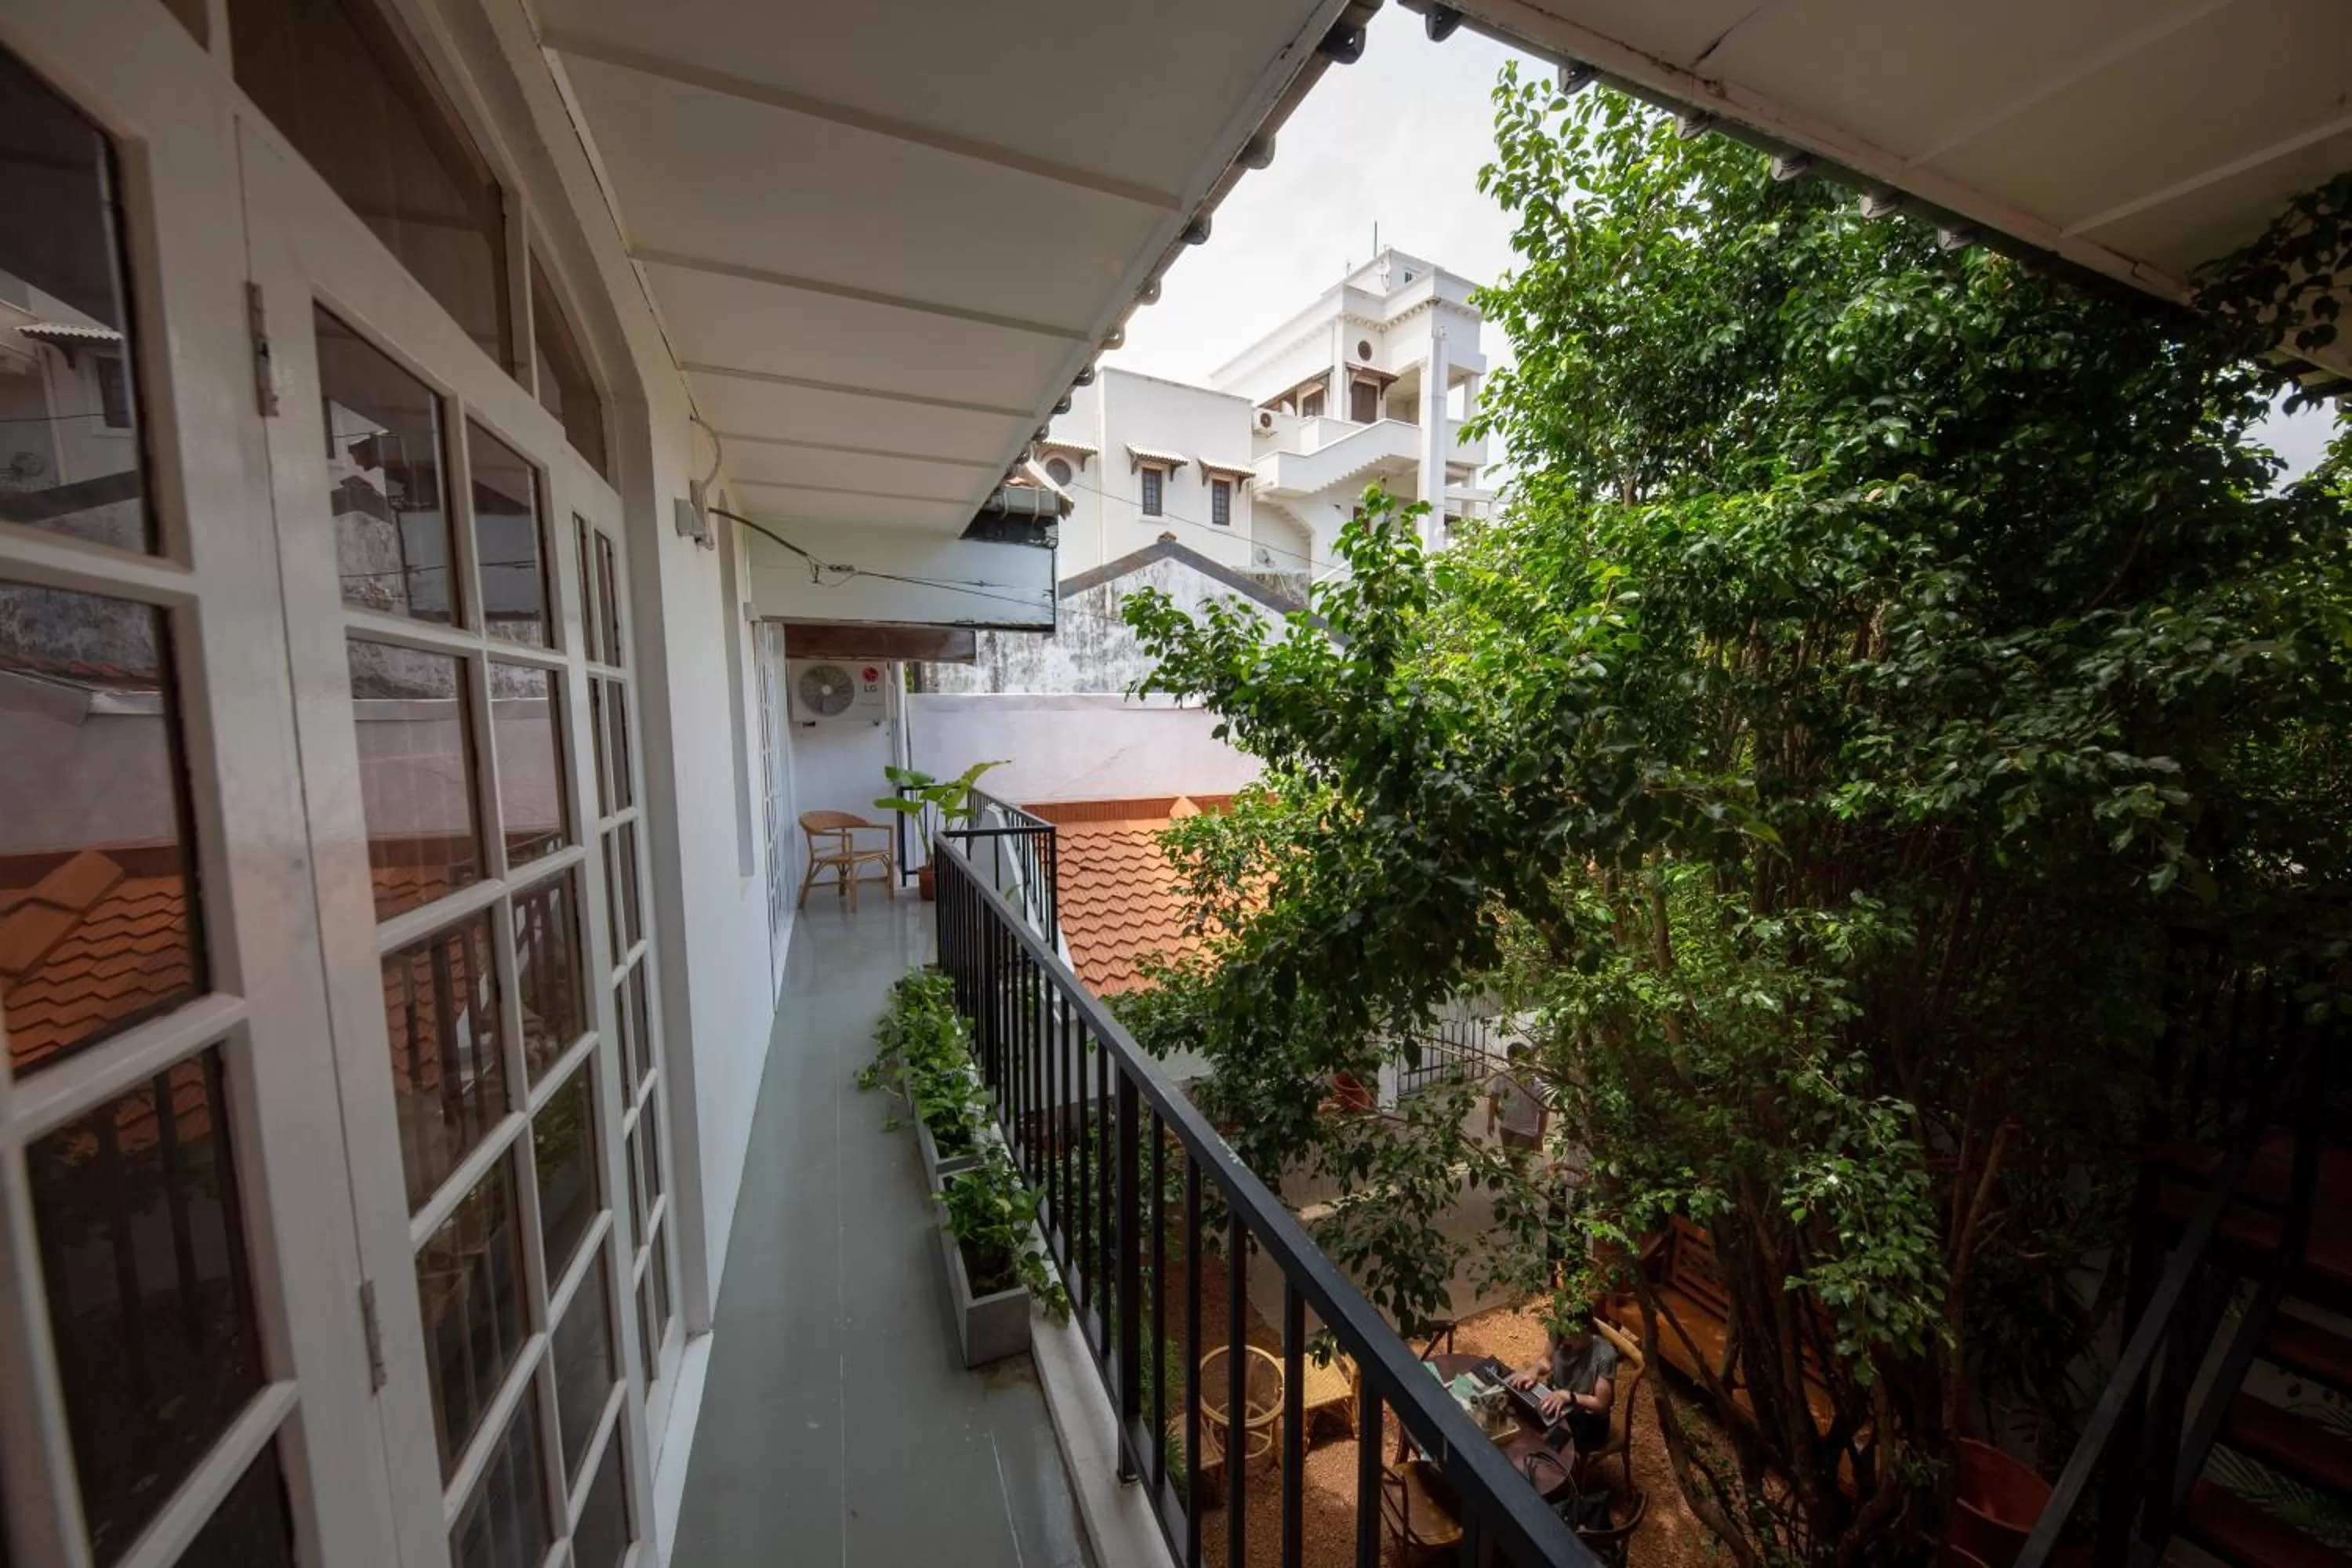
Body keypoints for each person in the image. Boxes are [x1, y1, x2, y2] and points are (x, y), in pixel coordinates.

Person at [1505, 1308, 1617, 1454]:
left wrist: (1568, 1396)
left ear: (1580, 1329)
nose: (1560, 1333)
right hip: (1556, 1398)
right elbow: (1546, 1361)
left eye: (1565, 1330)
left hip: (1587, 1418)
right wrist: (1534, 1370)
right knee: (1518, 1413)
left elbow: (1601, 1404)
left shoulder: (1604, 1354)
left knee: (1548, 1446)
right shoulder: (1558, 1332)